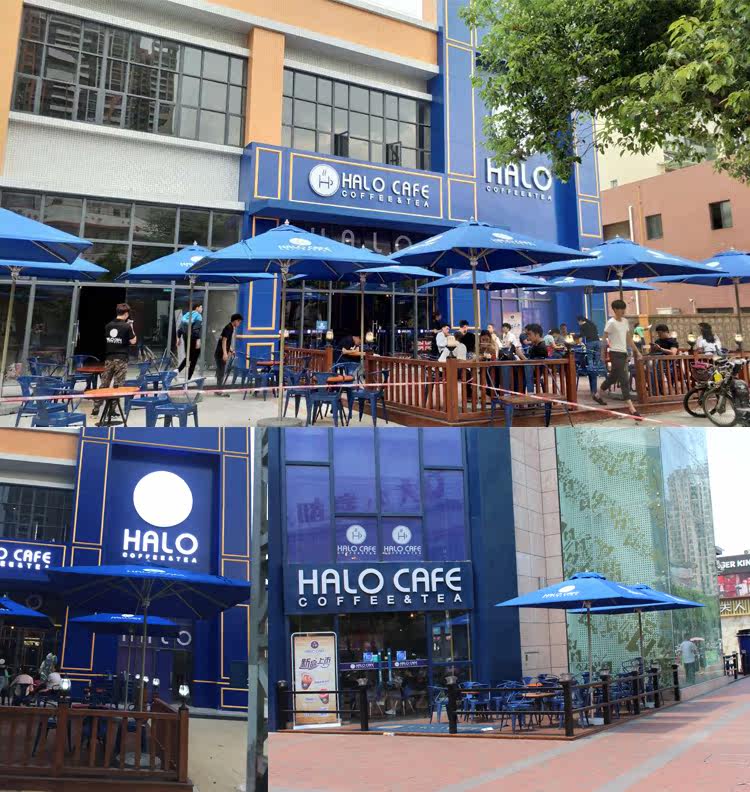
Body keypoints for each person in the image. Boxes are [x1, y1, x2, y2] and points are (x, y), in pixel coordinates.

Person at [591, 299, 640, 417]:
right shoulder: (611, 322)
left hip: (623, 353)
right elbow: (604, 339)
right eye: (621, 309)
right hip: (615, 353)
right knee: (624, 378)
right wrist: (602, 354)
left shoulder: (625, 321)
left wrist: (637, 351)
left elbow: (628, 338)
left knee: (613, 378)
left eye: (624, 308)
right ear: (615, 310)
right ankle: (631, 408)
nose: (623, 311)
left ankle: (597, 395)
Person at [92, 303, 137, 419]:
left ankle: (95, 410)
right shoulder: (127, 326)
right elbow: (133, 341)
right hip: (121, 359)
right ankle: (111, 411)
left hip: (109, 358)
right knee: (118, 386)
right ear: (126, 314)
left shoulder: (108, 325)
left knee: (104, 384)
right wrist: (131, 326)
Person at [214, 313, 243, 395]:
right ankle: (219, 391)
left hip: (222, 352)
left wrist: (230, 349)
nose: (239, 324)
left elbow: (227, 341)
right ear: (235, 321)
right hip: (220, 353)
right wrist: (225, 353)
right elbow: (224, 340)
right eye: (239, 322)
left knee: (221, 371)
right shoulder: (228, 328)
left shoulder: (231, 328)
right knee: (221, 372)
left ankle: (219, 390)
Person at [177, 303, 203, 380]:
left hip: (186, 339)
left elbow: (180, 329)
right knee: (194, 359)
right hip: (194, 339)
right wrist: (198, 340)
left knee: (189, 357)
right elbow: (196, 329)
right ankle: (188, 378)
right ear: (197, 308)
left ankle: (177, 371)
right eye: (201, 307)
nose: (202, 309)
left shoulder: (186, 315)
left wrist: (178, 338)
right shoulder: (198, 316)